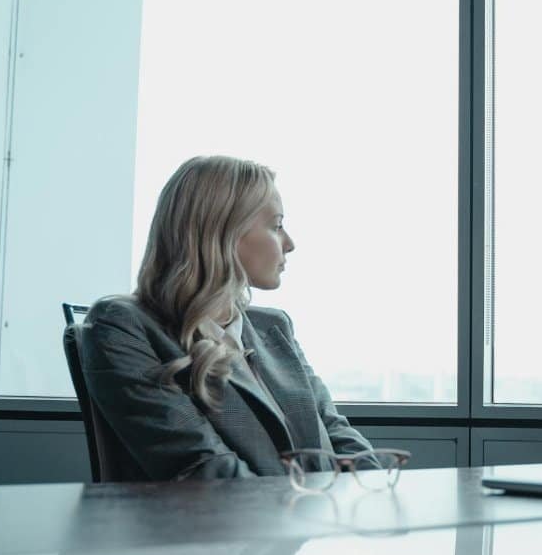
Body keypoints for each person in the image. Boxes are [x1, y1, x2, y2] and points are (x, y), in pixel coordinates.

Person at [81, 155, 372, 480]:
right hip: (228, 528)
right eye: (276, 226)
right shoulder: (121, 324)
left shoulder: (274, 326)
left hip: (318, 521)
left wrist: (378, 492)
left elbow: (337, 432)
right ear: (224, 232)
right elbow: (205, 468)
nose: (290, 243)